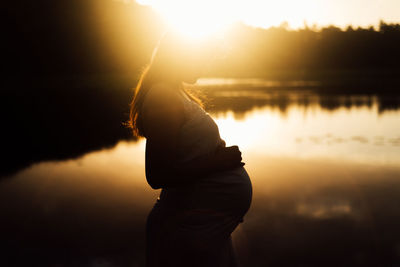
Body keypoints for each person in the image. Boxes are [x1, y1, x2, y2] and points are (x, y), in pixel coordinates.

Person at [127, 33, 252, 267]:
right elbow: (157, 175)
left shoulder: (175, 92)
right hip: (184, 231)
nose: (205, 66)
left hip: (200, 228)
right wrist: (218, 163)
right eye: (202, 58)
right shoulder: (162, 96)